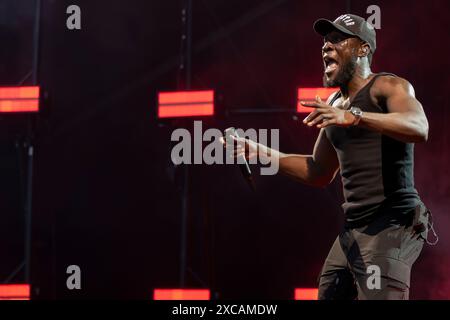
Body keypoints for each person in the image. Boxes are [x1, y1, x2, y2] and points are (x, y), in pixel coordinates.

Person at [224, 14, 435, 300]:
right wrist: (260, 151)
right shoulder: (335, 104)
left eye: (337, 40)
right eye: (325, 41)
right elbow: (318, 170)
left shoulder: (388, 86)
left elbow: (419, 127)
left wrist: (354, 116)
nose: (326, 47)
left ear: (363, 49)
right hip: (354, 229)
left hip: (393, 224)